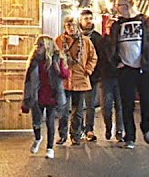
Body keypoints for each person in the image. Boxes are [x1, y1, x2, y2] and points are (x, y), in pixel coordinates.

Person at [108, 0, 149, 148]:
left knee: (146, 101)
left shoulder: (145, 22)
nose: (116, 9)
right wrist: (116, 61)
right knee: (127, 103)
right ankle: (129, 136)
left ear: (127, 5)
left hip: (143, 67)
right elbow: (111, 46)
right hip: (126, 68)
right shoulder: (117, 25)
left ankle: (146, 126)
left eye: (118, 6)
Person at [24, 35, 69, 159]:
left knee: (50, 121)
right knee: (36, 121)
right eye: (37, 45)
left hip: (52, 95)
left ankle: (50, 148)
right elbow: (28, 81)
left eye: (41, 45)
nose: (37, 48)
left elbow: (66, 74)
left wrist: (58, 68)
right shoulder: (34, 61)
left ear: (47, 46)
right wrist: (26, 98)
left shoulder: (57, 59)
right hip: (38, 94)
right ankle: (38, 138)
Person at [56, 16, 98, 145]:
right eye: (69, 25)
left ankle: (75, 135)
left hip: (80, 79)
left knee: (78, 111)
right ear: (65, 27)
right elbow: (54, 57)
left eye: (73, 25)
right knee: (63, 110)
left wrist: (88, 70)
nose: (71, 28)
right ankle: (62, 135)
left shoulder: (85, 41)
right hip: (64, 80)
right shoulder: (59, 41)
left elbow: (93, 57)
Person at [79, 9, 108, 142]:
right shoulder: (75, 36)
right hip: (77, 77)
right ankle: (77, 130)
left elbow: (101, 58)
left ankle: (89, 129)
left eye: (90, 18)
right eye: (86, 18)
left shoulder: (97, 38)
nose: (88, 20)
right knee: (77, 105)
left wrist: (98, 74)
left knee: (90, 105)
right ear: (80, 20)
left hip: (92, 77)